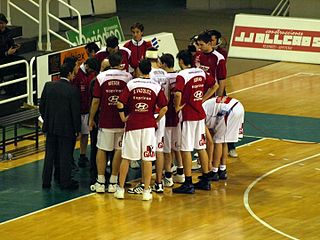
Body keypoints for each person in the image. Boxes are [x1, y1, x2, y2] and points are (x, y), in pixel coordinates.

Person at [114, 59, 168, 201]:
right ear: (149, 70)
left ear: (138, 70)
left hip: (133, 124)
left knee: (126, 158)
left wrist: (123, 118)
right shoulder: (156, 86)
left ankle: (119, 190)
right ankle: (146, 191)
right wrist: (156, 120)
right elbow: (164, 107)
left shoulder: (131, 84)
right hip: (149, 126)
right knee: (148, 158)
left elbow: (120, 102)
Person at [172, 50, 218, 194]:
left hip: (188, 115)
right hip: (199, 114)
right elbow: (215, 85)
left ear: (180, 61)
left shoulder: (182, 75)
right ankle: (205, 180)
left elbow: (178, 93)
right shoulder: (200, 72)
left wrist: (177, 106)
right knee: (200, 146)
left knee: (185, 149)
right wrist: (203, 99)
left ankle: (188, 182)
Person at [89, 52, 132, 193]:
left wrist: (91, 119)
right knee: (119, 150)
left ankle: (100, 182)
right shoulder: (128, 77)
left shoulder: (101, 77)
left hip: (105, 120)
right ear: (121, 62)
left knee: (102, 149)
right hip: (121, 120)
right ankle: (113, 181)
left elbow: (96, 101)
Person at [40, 63, 81, 190]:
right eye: (73, 73)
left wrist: (47, 120)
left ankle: (46, 182)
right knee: (65, 155)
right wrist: (77, 130)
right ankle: (65, 182)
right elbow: (75, 112)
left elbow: (42, 107)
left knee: (49, 155)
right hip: (66, 129)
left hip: (50, 127)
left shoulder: (48, 86)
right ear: (69, 74)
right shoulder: (72, 90)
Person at [206, 29, 238, 158]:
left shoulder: (221, 54)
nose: (210, 43)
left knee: (224, 122)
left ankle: (231, 146)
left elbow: (221, 78)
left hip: (219, 92)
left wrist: (219, 96)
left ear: (218, 41)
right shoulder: (202, 54)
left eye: (212, 40)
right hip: (207, 93)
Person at [203, 96, 244, 180]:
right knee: (224, 140)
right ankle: (222, 169)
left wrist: (209, 162)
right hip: (238, 106)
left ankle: (214, 171)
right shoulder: (206, 105)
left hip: (229, 110)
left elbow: (210, 142)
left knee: (218, 141)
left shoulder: (200, 114)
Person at [159, 53, 185, 187]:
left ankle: (168, 176)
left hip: (168, 116)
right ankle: (180, 172)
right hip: (179, 116)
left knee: (167, 149)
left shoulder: (164, 78)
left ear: (163, 64)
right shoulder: (180, 75)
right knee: (177, 147)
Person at [73, 58, 100, 168]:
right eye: (92, 70)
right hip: (77, 110)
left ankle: (82, 155)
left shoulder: (92, 73)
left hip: (87, 110)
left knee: (85, 134)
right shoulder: (77, 75)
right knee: (75, 135)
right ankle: (70, 158)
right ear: (87, 66)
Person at [196, 31, 227, 97]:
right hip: (200, 93)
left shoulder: (219, 58)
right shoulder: (197, 56)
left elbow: (222, 80)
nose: (199, 47)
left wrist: (219, 97)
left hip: (213, 94)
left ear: (209, 43)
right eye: (198, 44)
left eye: (201, 45)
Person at [0, 13, 24, 95]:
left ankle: (19, 84)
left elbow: (11, 43)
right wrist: (6, 53)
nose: (2, 25)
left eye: (3, 23)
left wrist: (15, 48)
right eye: (0, 23)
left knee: (23, 61)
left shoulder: (8, 32)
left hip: (8, 56)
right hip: (2, 57)